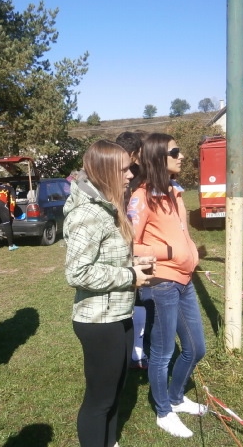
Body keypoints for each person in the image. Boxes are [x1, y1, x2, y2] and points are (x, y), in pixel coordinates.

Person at [64, 139, 155, 447]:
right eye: (124, 169)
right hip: (98, 321)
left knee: (115, 395)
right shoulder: (87, 214)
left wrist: (134, 264)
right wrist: (129, 275)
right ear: (105, 172)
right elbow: (77, 273)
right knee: (99, 401)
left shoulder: (108, 207)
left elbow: (106, 260)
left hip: (120, 314)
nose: (131, 174)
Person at [127, 133, 207, 438]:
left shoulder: (174, 191)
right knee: (162, 353)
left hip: (185, 281)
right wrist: (168, 252)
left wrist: (190, 254)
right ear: (158, 158)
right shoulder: (141, 197)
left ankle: (176, 397)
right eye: (175, 152)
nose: (181, 156)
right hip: (161, 282)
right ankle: (163, 412)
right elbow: (129, 245)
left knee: (196, 348)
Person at [115, 131, 148, 370]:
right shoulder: (129, 173)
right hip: (127, 238)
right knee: (134, 294)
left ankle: (137, 349)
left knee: (137, 294)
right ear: (136, 153)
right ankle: (134, 350)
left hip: (132, 237)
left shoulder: (135, 173)